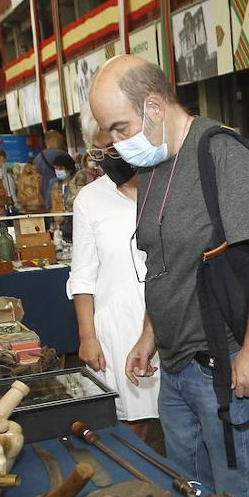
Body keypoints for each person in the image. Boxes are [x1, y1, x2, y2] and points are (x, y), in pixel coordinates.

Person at [89, 55, 249, 497]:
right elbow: (165, 261)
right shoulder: (155, 163)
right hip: (176, 369)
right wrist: (148, 336)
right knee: (189, 492)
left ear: (154, 106)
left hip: (222, 365)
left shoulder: (219, 154)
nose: (115, 143)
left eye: (120, 127)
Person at [68, 136, 160, 439]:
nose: (109, 155)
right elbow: (82, 275)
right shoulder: (90, 199)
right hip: (118, 330)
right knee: (132, 427)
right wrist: (87, 337)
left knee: (183, 425)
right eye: (100, 150)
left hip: (171, 321)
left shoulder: (167, 186)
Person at [34, 130, 70, 210]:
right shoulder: (61, 154)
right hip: (60, 198)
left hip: (44, 199)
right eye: (61, 139)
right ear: (56, 139)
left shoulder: (37, 158)